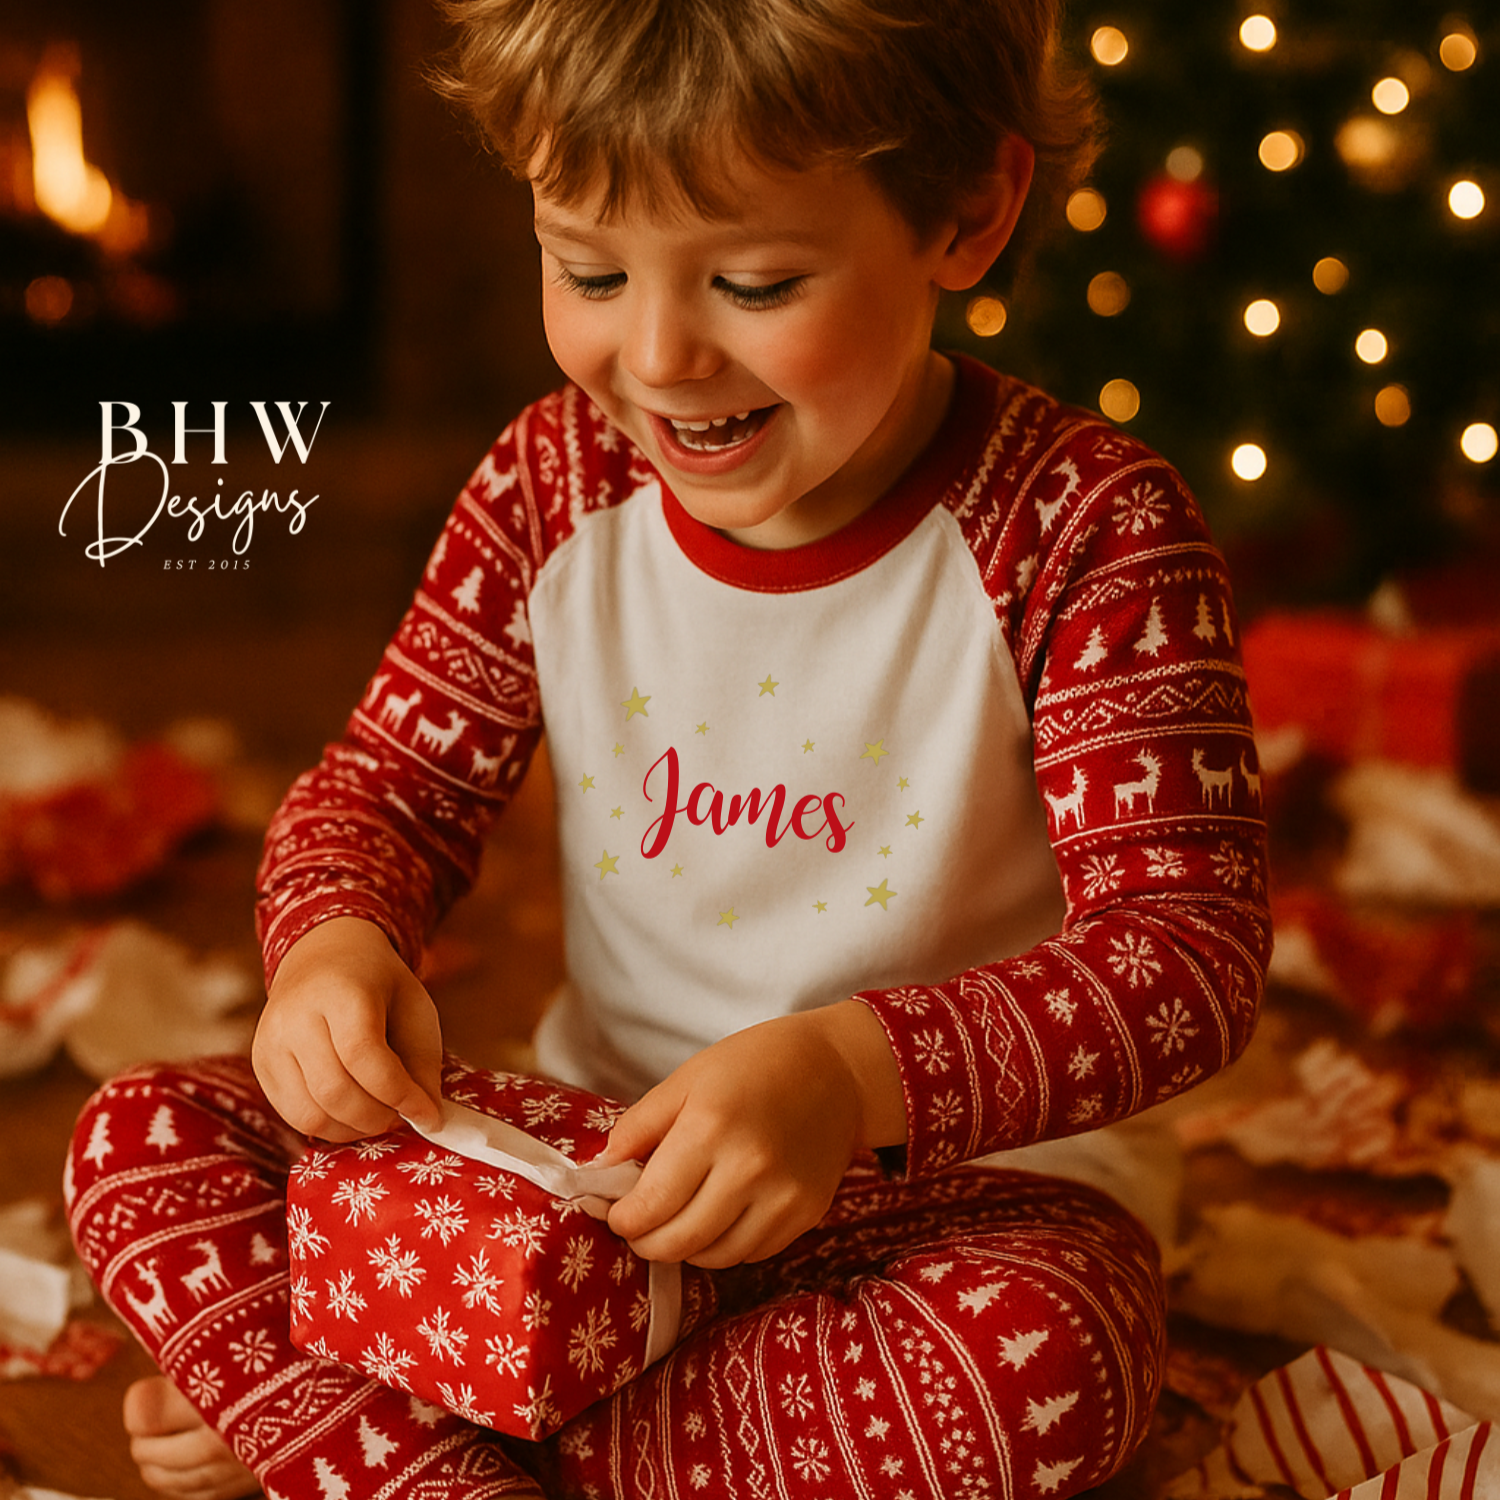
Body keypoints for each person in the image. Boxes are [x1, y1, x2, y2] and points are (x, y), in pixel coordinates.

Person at [67, 0, 1271, 1495]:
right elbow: (392, 787)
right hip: (580, 1156)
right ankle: (458, 1409)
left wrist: (847, 1078)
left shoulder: (1086, 530)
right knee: (141, 1132)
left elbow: (1183, 959)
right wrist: (335, 946)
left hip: (946, 1209)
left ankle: (382, 1412)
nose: (657, 354)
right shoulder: (549, 486)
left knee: (1055, 1360)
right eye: (587, 269)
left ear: (969, 214)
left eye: (757, 281)